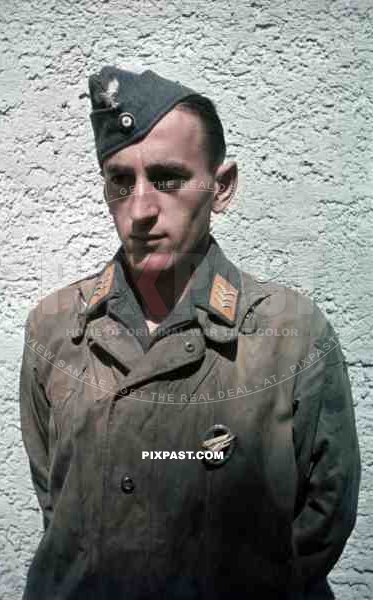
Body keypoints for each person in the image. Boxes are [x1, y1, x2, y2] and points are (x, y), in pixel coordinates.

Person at [19, 65, 361, 600]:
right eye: (120, 180)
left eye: (168, 178)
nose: (141, 210)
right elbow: (57, 501)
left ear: (221, 187)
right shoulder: (56, 328)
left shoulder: (290, 336)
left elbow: (323, 516)